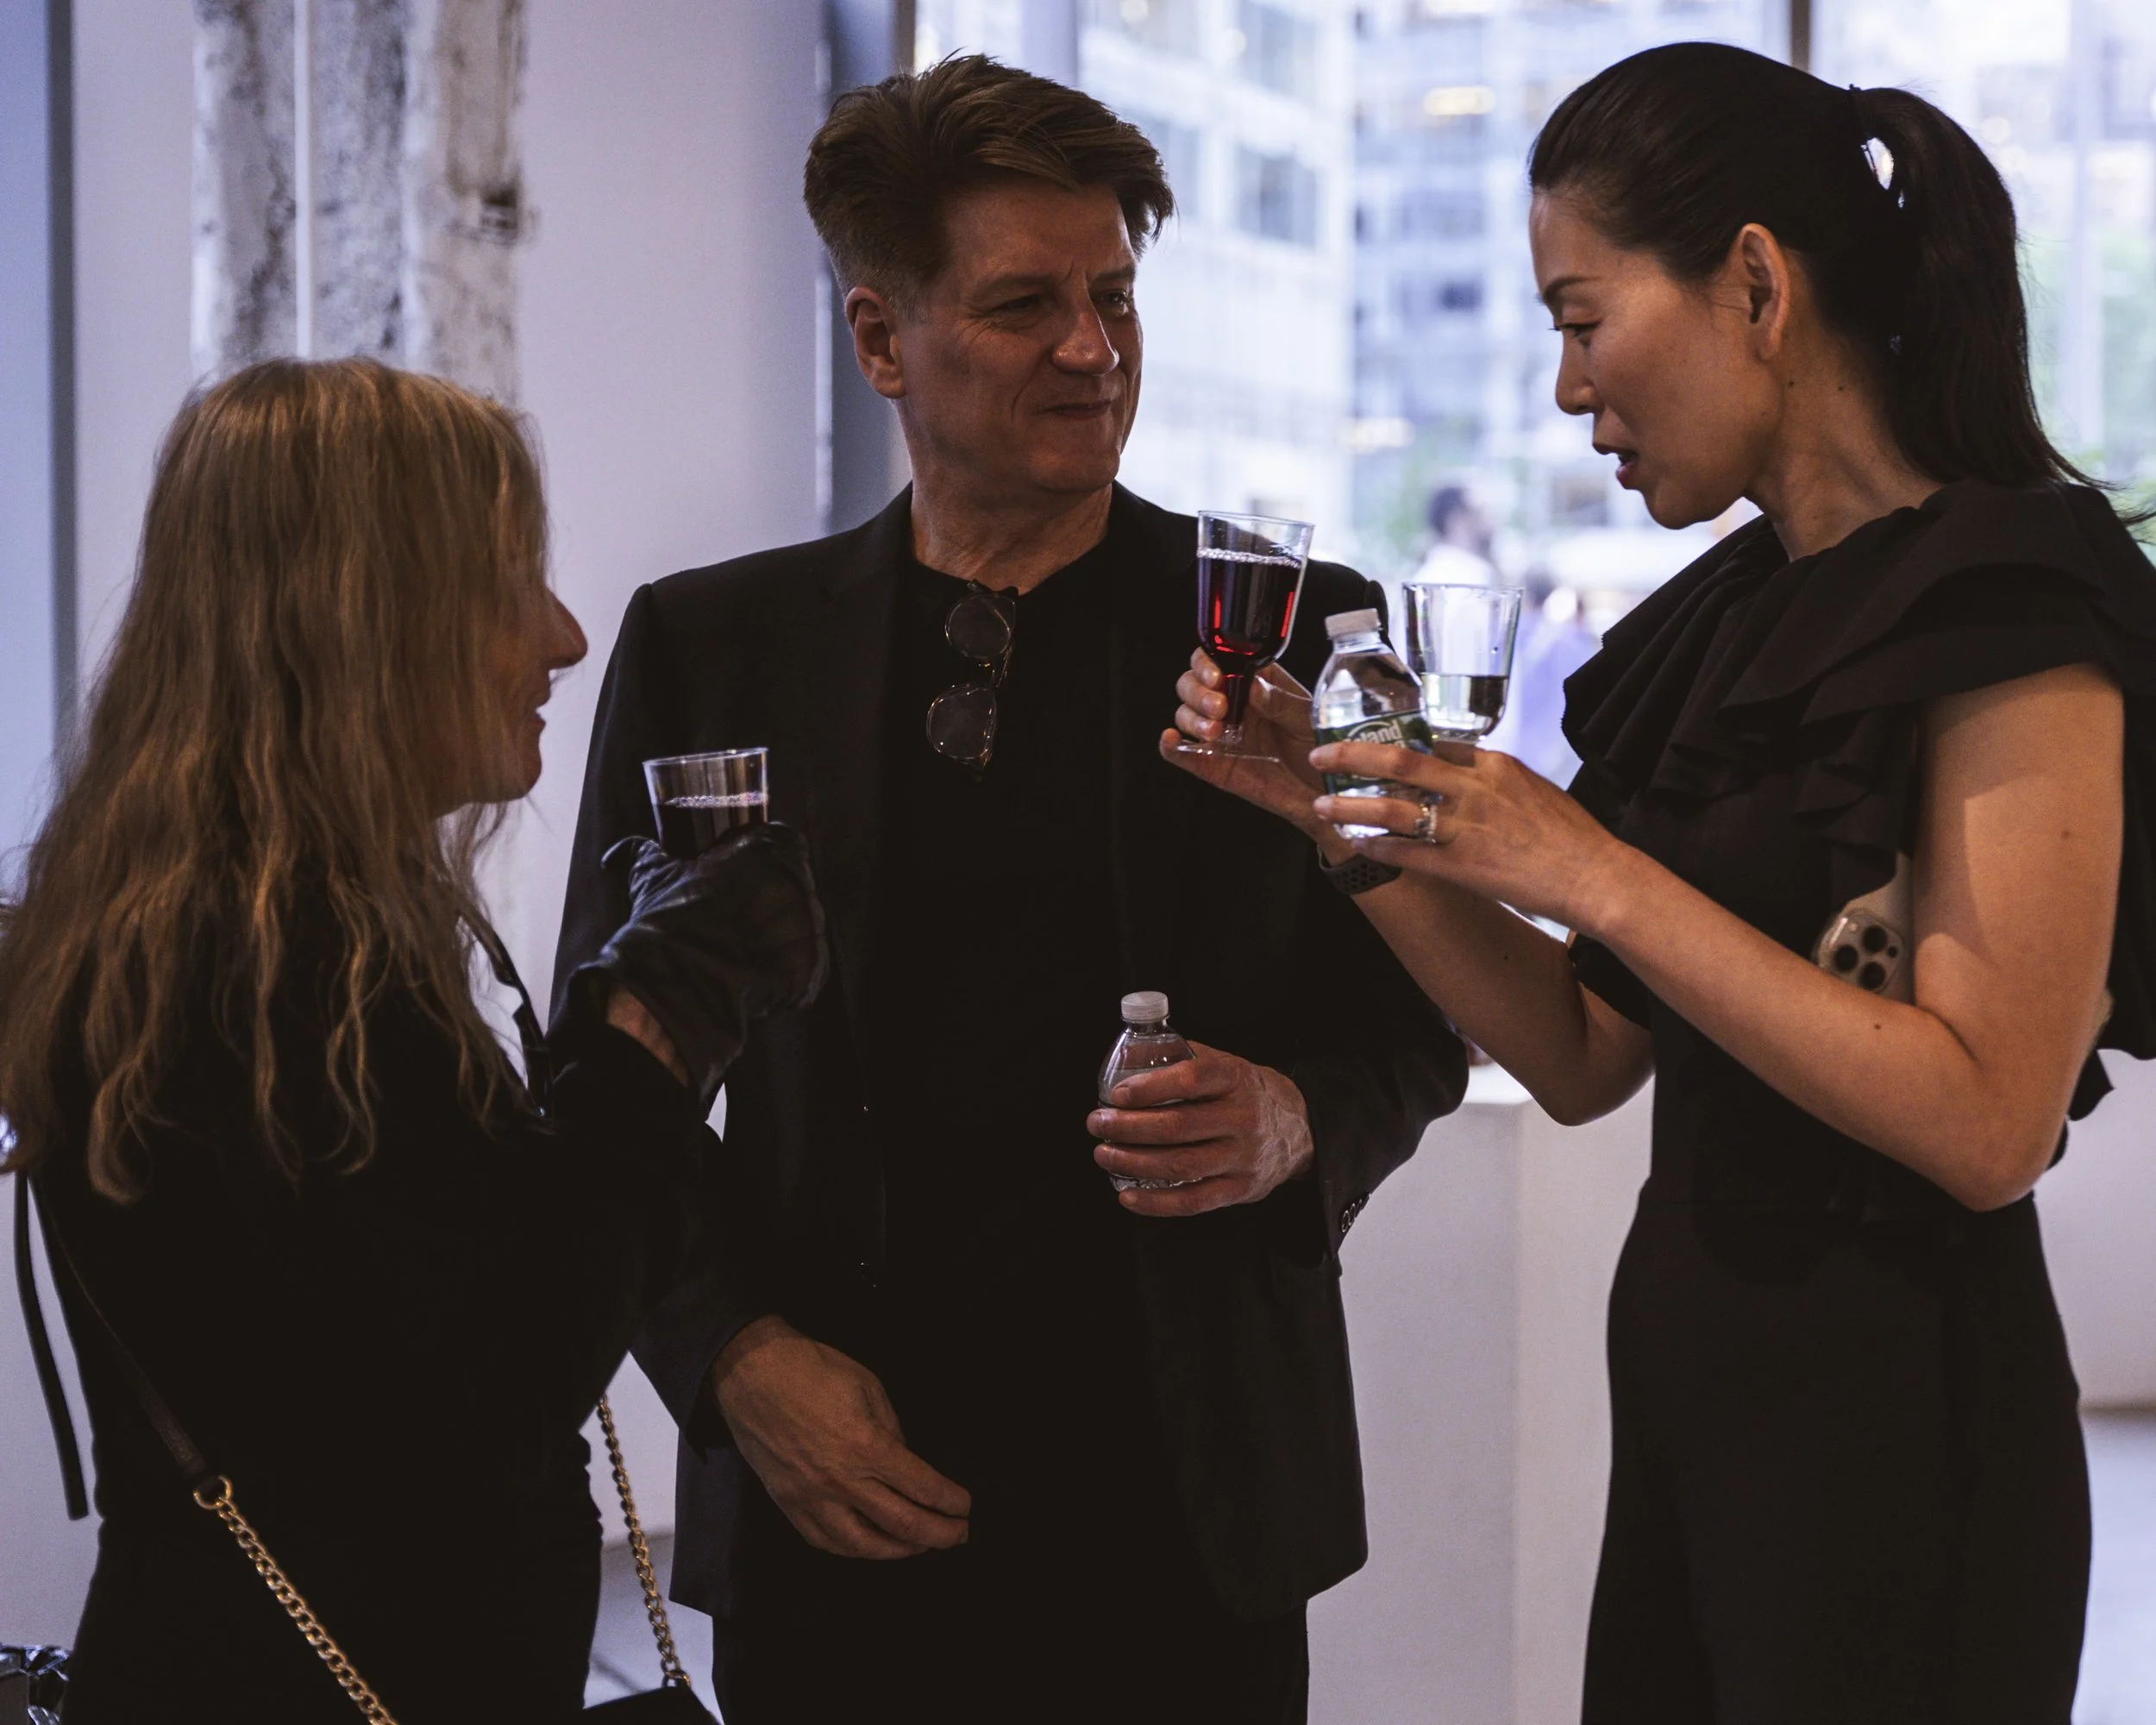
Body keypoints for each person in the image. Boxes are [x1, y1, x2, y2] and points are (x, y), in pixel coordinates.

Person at [1170, 42, 2156, 1725]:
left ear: (1753, 285)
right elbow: (1573, 1055)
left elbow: (1987, 1126)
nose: (1566, 390)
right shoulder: (1719, 625)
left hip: (1901, 1419)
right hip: (1699, 1385)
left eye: (1579, 317)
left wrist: (1592, 868)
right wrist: (1341, 828)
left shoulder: (2010, 595)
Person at [553, 55, 1466, 1724]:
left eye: (1115, 295)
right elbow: (600, 1065)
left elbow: (1421, 1023)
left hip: (1188, 1502)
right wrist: (734, 1362)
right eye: (1026, 302)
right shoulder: (712, 645)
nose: (1094, 349)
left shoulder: (1303, 620)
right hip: (837, 1487)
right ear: (882, 340)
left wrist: (1296, 1117)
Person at [0, 358, 826, 1722]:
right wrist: (653, 1023)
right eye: (510, 583)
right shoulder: (254, 963)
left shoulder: (252, 927)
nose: (563, 638)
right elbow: (509, 1375)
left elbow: (420, 1313)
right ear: (361, 618)